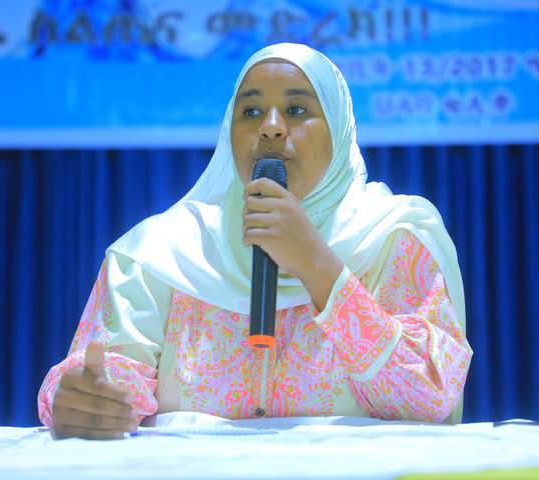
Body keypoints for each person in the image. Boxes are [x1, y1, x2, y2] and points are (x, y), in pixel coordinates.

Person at [38, 43, 473, 440]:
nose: (271, 128)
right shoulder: (158, 253)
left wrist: (317, 265)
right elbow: (105, 380)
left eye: (297, 110)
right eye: (250, 112)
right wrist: (84, 403)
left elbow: (431, 400)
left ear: (340, 130)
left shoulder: (395, 238)